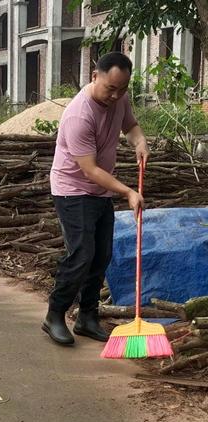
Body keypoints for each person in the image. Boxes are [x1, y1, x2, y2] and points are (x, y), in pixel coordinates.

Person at [42, 52, 149, 346]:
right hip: (72, 189)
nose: (116, 95)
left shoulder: (119, 98)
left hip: (100, 191)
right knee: (81, 254)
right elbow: (89, 170)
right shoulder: (79, 115)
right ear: (94, 77)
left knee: (102, 255)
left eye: (122, 89)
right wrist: (127, 191)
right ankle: (54, 314)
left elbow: (130, 127)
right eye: (110, 88)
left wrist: (139, 141)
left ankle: (88, 317)